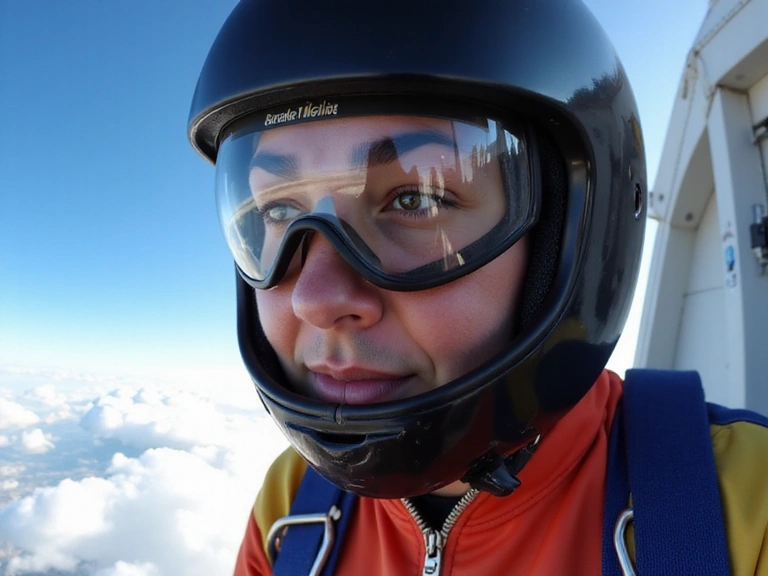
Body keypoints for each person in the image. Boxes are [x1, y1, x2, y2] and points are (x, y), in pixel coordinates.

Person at [187, 0, 768, 574]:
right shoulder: (288, 510)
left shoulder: (745, 507)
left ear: (573, 238)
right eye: (278, 210)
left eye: (417, 198)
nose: (315, 298)